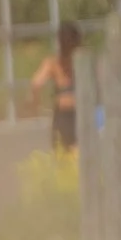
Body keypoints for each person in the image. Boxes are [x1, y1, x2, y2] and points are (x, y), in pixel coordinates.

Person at [30, 21, 81, 153]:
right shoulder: (82, 60)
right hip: (79, 109)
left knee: (62, 152)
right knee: (78, 152)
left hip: (63, 111)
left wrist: (36, 104)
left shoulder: (53, 63)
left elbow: (36, 83)